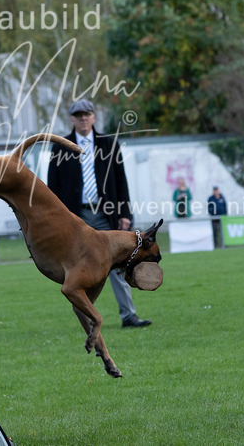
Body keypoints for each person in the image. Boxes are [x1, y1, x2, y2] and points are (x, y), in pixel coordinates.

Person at [48, 99, 151, 328]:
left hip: (107, 214)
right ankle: (86, 317)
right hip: (75, 219)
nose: (83, 118)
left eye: (87, 114)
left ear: (94, 117)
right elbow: (52, 187)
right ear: (72, 118)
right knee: (79, 268)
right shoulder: (60, 146)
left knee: (117, 263)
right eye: (78, 115)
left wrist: (125, 213)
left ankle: (128, 315)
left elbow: (121, 182)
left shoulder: (109, 144)